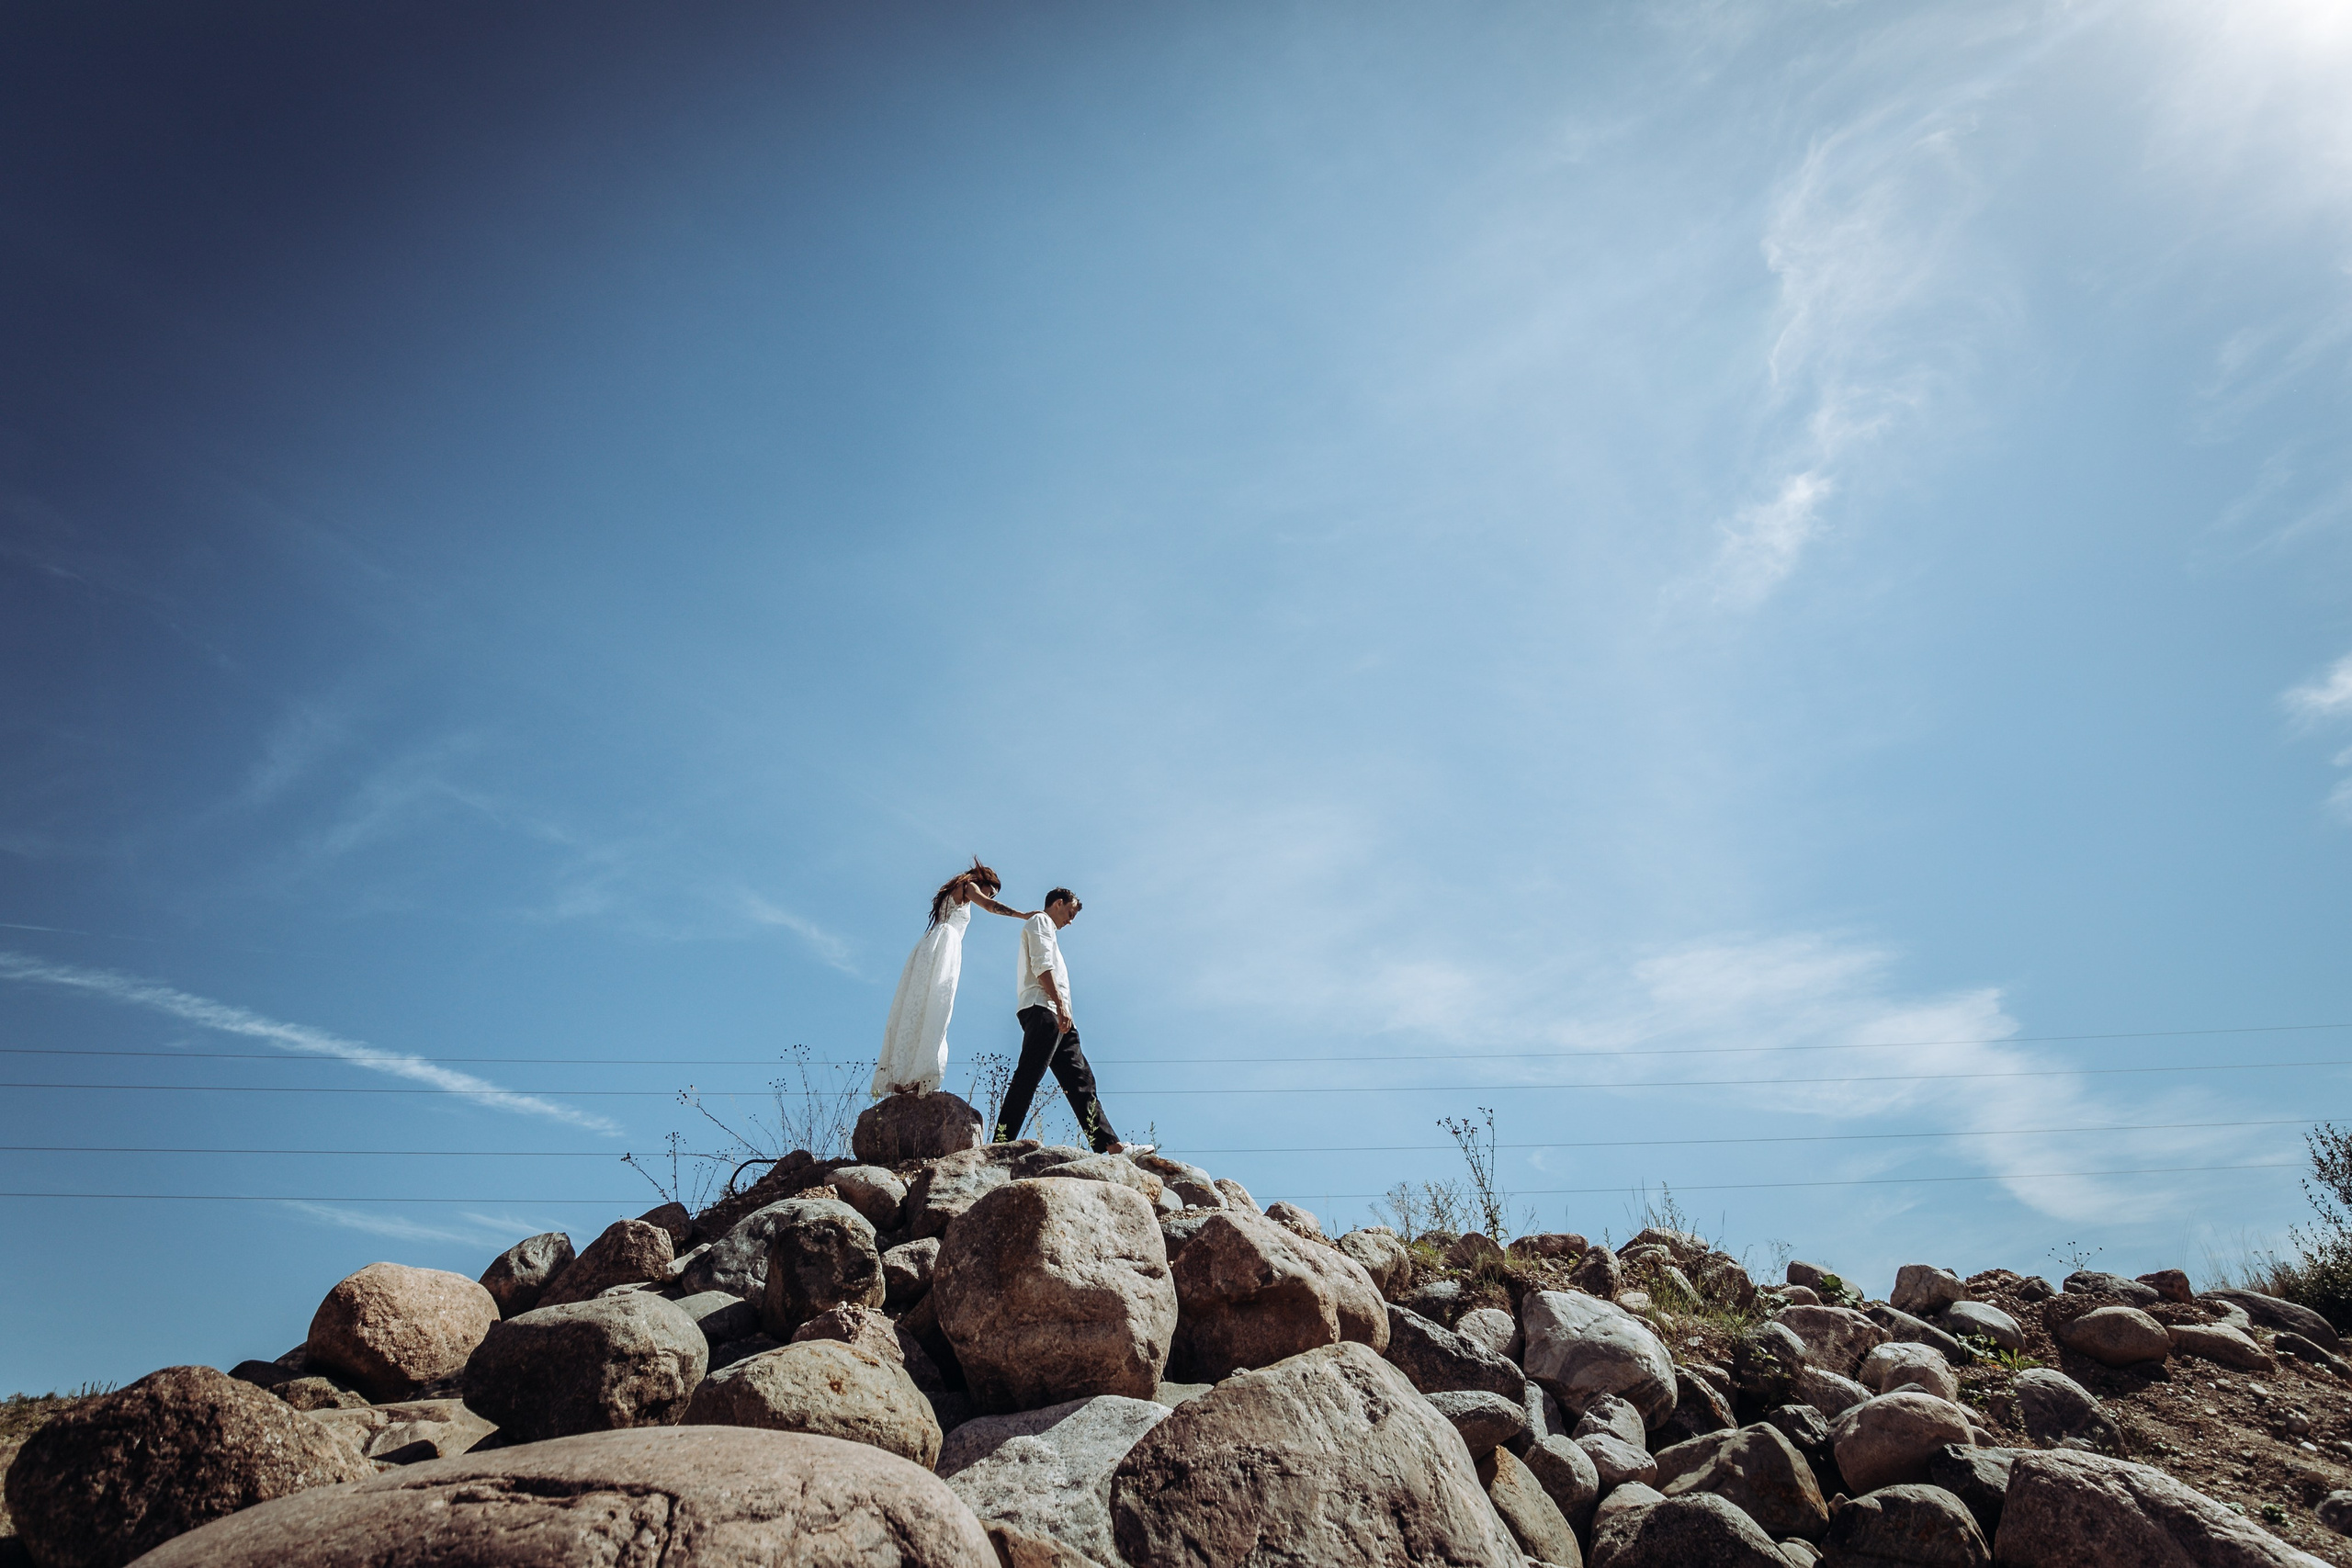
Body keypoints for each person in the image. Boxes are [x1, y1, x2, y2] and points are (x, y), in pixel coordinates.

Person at [994, 887, 1148, 1155]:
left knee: (1081, 1080)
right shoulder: (1040, 922)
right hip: (1045, 1010)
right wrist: (1061, 1006)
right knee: (1028, 1077)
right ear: (1058, 903)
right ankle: (999, 1145)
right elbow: (1042, 966)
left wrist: (1065, 1013)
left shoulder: (1049, 931)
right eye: (1070, 912)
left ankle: (1111, 1147)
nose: (1070, 920)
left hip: (1060, 1017)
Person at [873, 860, 1036, 1099]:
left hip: (929, 945)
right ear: (982, 881)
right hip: (944, 945)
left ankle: (907, 1076)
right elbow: (989, 906)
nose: (987, 894)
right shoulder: (969, 886)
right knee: (936, 1007)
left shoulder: (955, 889)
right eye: (990, 889)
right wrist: (1023, 915)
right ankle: (917, 1075)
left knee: (918, 1007)